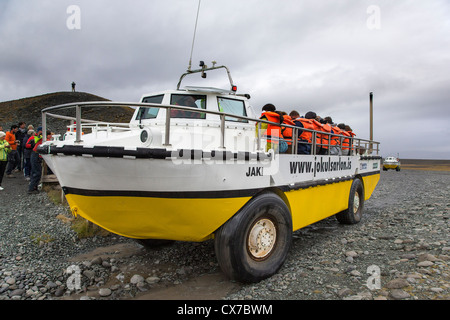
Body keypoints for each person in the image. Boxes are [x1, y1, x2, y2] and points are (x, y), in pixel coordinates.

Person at [27, 127, 43, 194]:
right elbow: (27, 145)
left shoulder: (38, 137)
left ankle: (34, 187)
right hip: (35, 154)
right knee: (36, 172)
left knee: (35, 172)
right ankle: (32, 188)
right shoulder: (37, 137)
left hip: (35, 154)